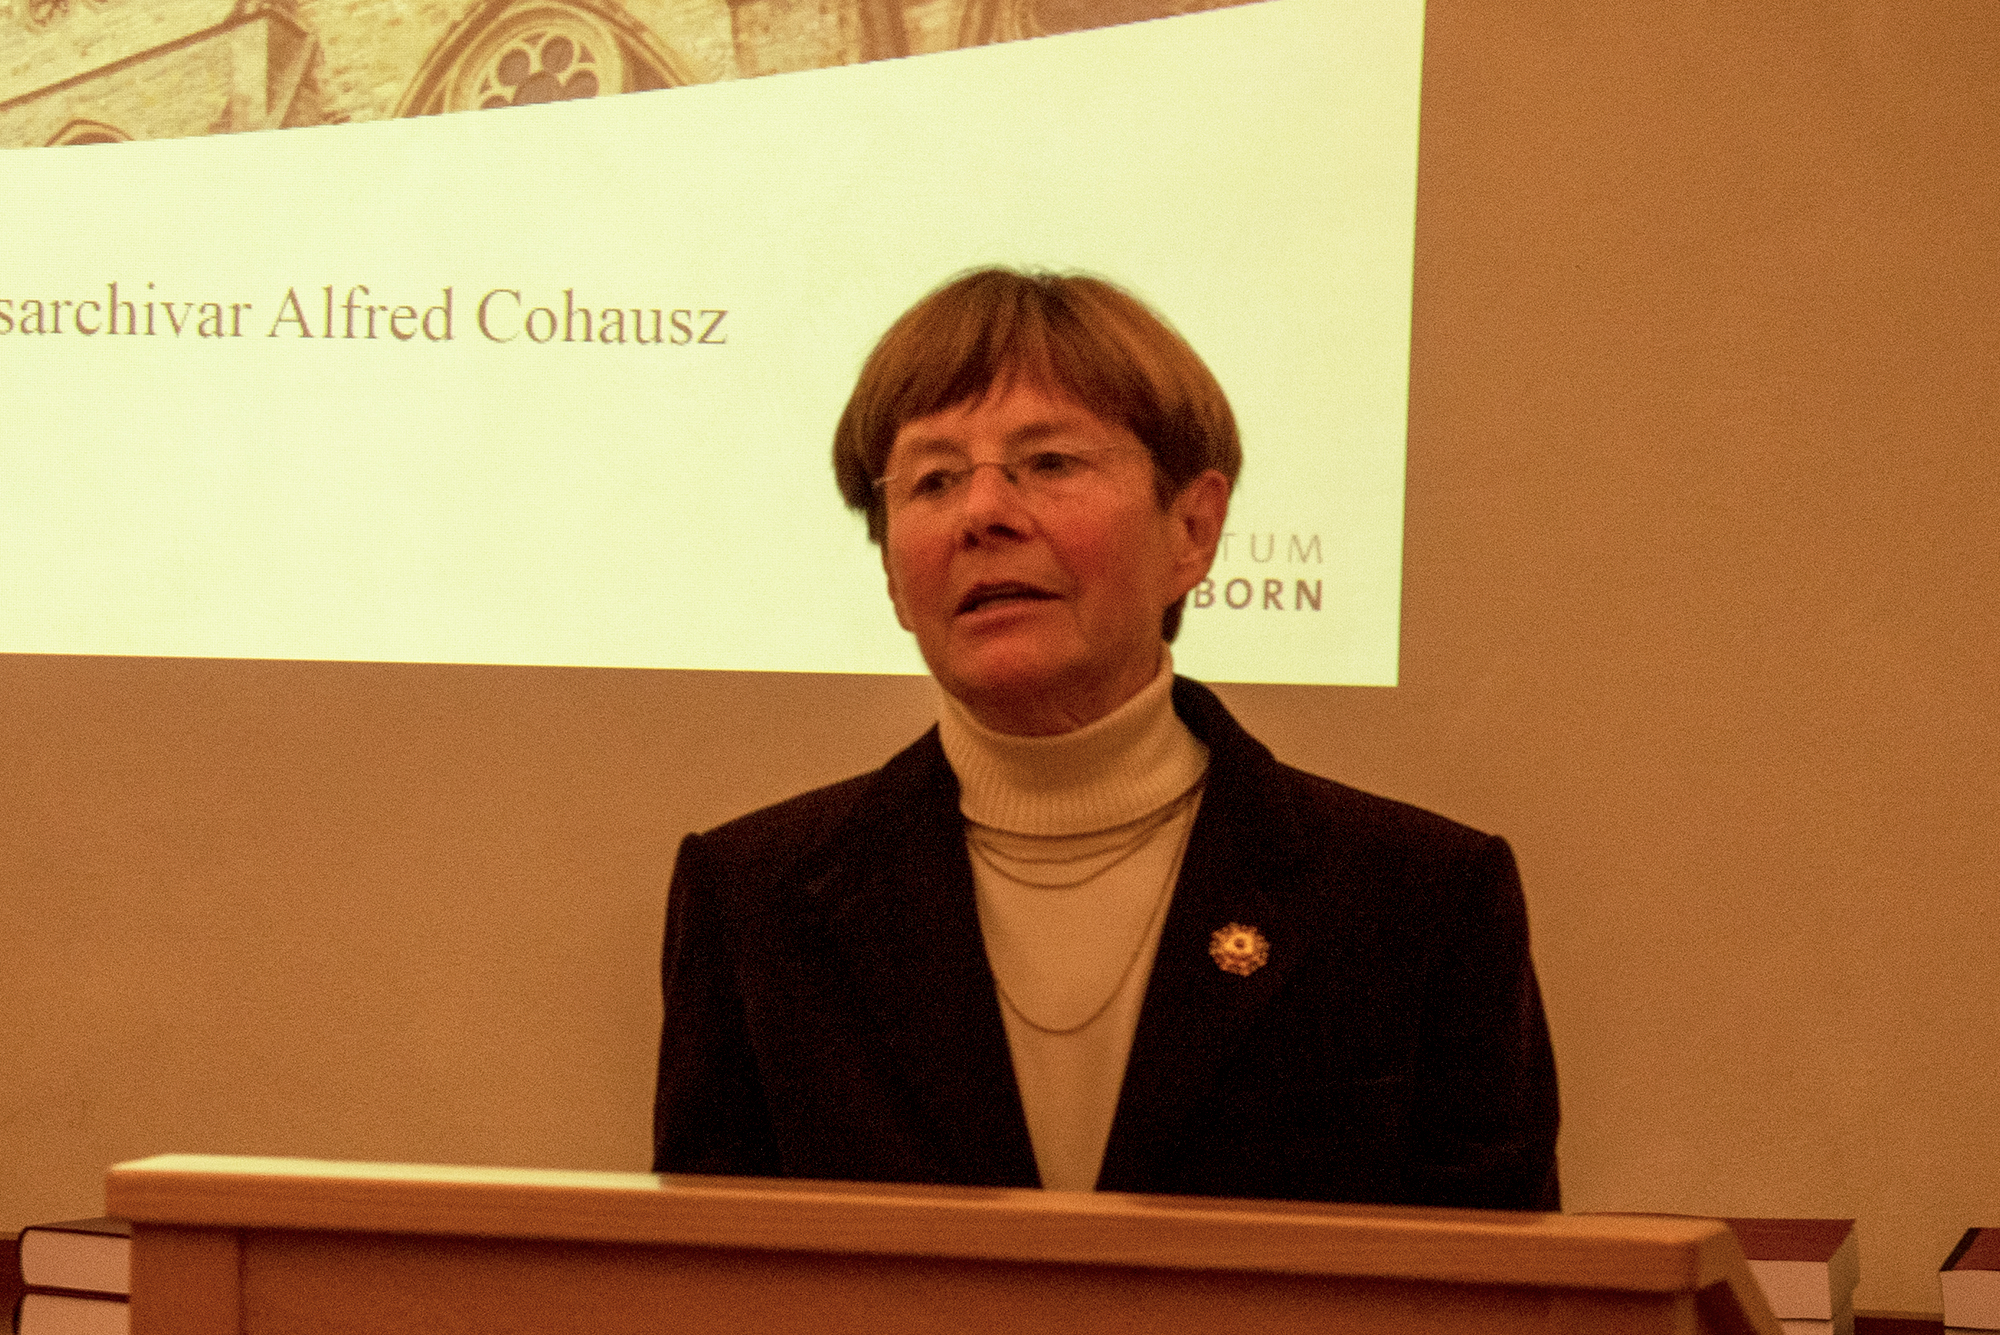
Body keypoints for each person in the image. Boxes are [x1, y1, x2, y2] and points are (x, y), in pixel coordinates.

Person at [652, 268, 1559, 1209]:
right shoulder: (755, 904)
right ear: (891, 571)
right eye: (934, 479)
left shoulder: (1417, 901)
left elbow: (1491, 1277)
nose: (983, 514)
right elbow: (709, 1275)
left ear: (1193, 529)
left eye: (1048, 462)